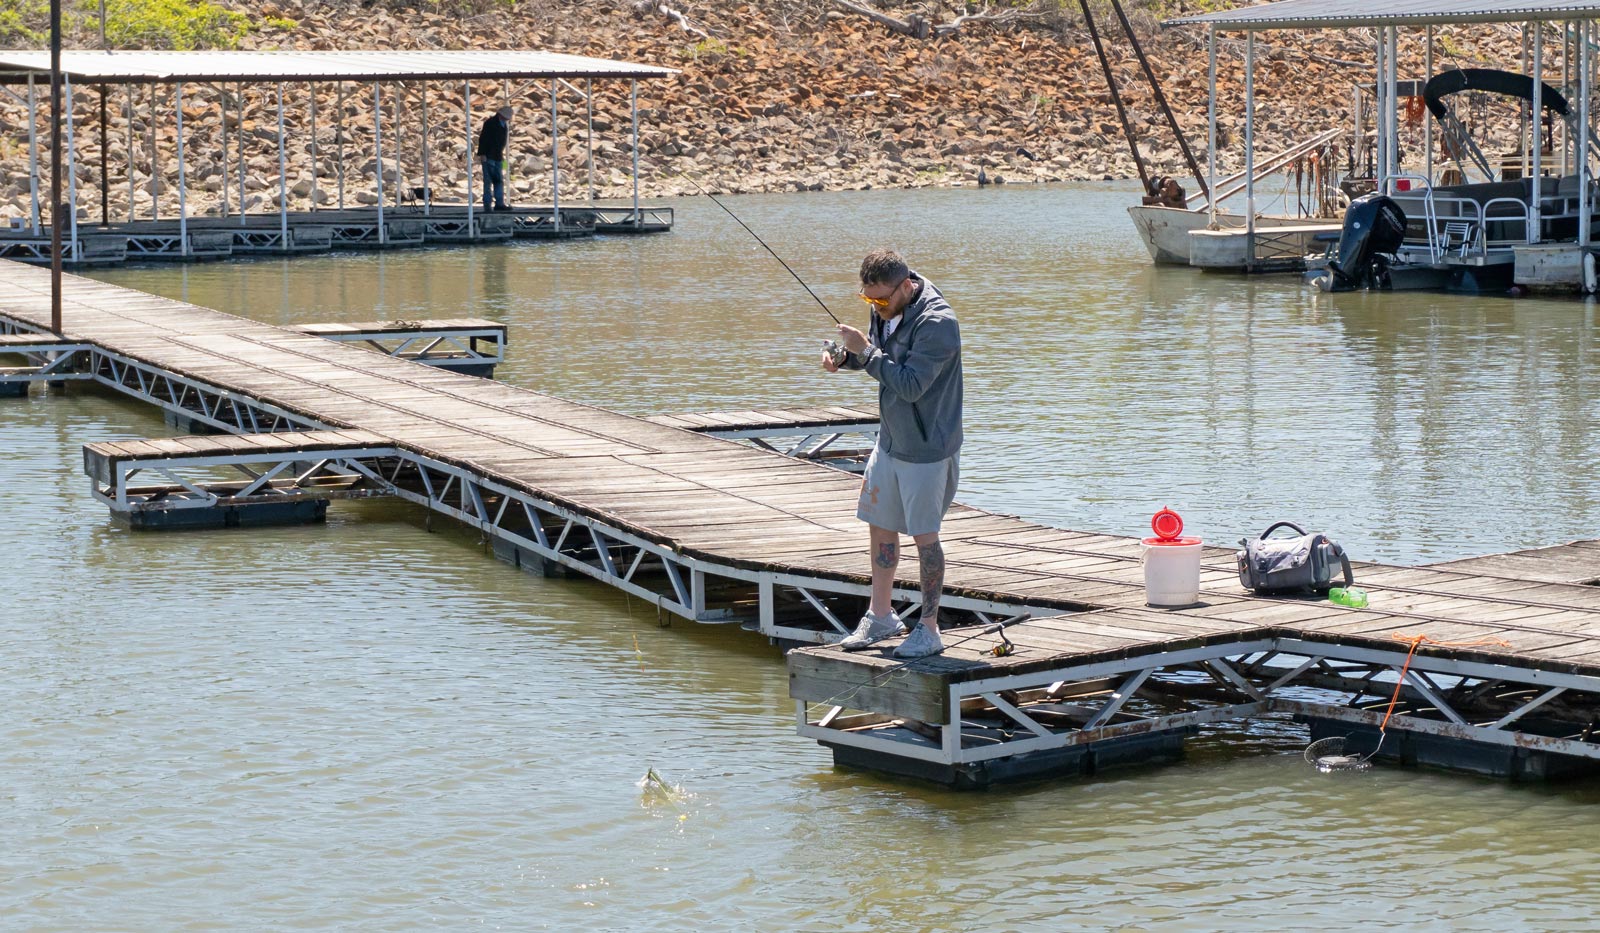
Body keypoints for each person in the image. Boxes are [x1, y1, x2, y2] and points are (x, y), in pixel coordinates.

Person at [822, 249, 963, 659]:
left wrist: (865, 354)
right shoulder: (885, 305)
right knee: (879, 524)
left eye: (882, 300)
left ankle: (930, 629)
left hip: (927, 448)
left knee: (925, 538)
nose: (876, 307)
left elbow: (911, 385)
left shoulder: (939, 323)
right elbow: (878, 360)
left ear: (906, 286)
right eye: (870, 300)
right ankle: (880, 615)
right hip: (890, 439)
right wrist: (845, 358)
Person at [476, 106, 513, 212]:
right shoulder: (490, 123)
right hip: (488, 156)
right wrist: (482, 154)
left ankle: (499, 203)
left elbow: (502, 142)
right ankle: (487, 204)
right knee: (488, 181)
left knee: (499, 180)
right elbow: (483, 139)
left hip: (498, 156)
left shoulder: (503, 125)